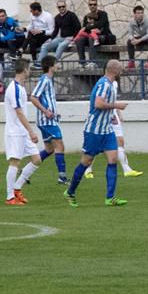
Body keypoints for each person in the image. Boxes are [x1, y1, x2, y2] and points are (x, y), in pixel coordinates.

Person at [63, 60, 130, 208]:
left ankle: (110, 198)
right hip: (94, 130)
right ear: (115, 71)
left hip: (106, 130)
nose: (122, 72)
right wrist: (116, 106)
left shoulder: (110, 84)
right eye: (120, 69)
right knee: (86, 162)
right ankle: (70, 192)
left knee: (113, 159)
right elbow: (98, 104)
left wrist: (111, 115)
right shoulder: (103, 84)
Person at [3, 59, 43, 205]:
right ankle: (9, 197)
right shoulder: (13, 89)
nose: (30, 71)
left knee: (37, 159)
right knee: (15, 162)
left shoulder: (20, 87)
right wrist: (31, 131)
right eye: (29, 68)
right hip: (15, 132)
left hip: (22, 131)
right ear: (25, 70)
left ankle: (17, 188)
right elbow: (19, 112)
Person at [30, 55, 69, 184]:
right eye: (56, 63)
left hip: (49, 120)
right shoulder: (44, 80)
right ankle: (62, 177)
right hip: (47, 121)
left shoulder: (48, 80)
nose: (58, 66)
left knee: (49, 149)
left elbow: (47, 100)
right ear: (50, 66)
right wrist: (46, 111)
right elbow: (33, 97)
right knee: (60, 146)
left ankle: (26, 172)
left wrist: (55, 113)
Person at [110, 80, 142, 178]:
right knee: (96, 146)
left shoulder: (114, 83)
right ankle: (87, 169)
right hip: (103, 116)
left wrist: (118, 113)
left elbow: (113, 100)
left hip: (113, 115)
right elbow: (100, 102)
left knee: (120, 141)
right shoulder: (103, 83)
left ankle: (127, 169)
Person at [74, 0, 113, 67]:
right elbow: (85, 29)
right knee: (80, 39)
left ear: (97, 5)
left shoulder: (103, 14)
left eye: (94, 4)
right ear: (88, 6)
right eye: (91, 4)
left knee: (91, 38)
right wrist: (91, 27)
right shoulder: (86, 17)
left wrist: (89, 26)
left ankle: (93, 62)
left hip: (103, 36)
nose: (92, 6)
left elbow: (101, 24)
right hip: (91, 36)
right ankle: (82, 62)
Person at [125, 5, 148, 69]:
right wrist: (133, 39)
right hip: (143, 37)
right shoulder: (131, 22)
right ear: (134, 14)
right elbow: (130, 34)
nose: (140, 15)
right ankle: (131, 62)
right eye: (138, 13)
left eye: (142, 13)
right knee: (129, 42)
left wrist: (138, 40)